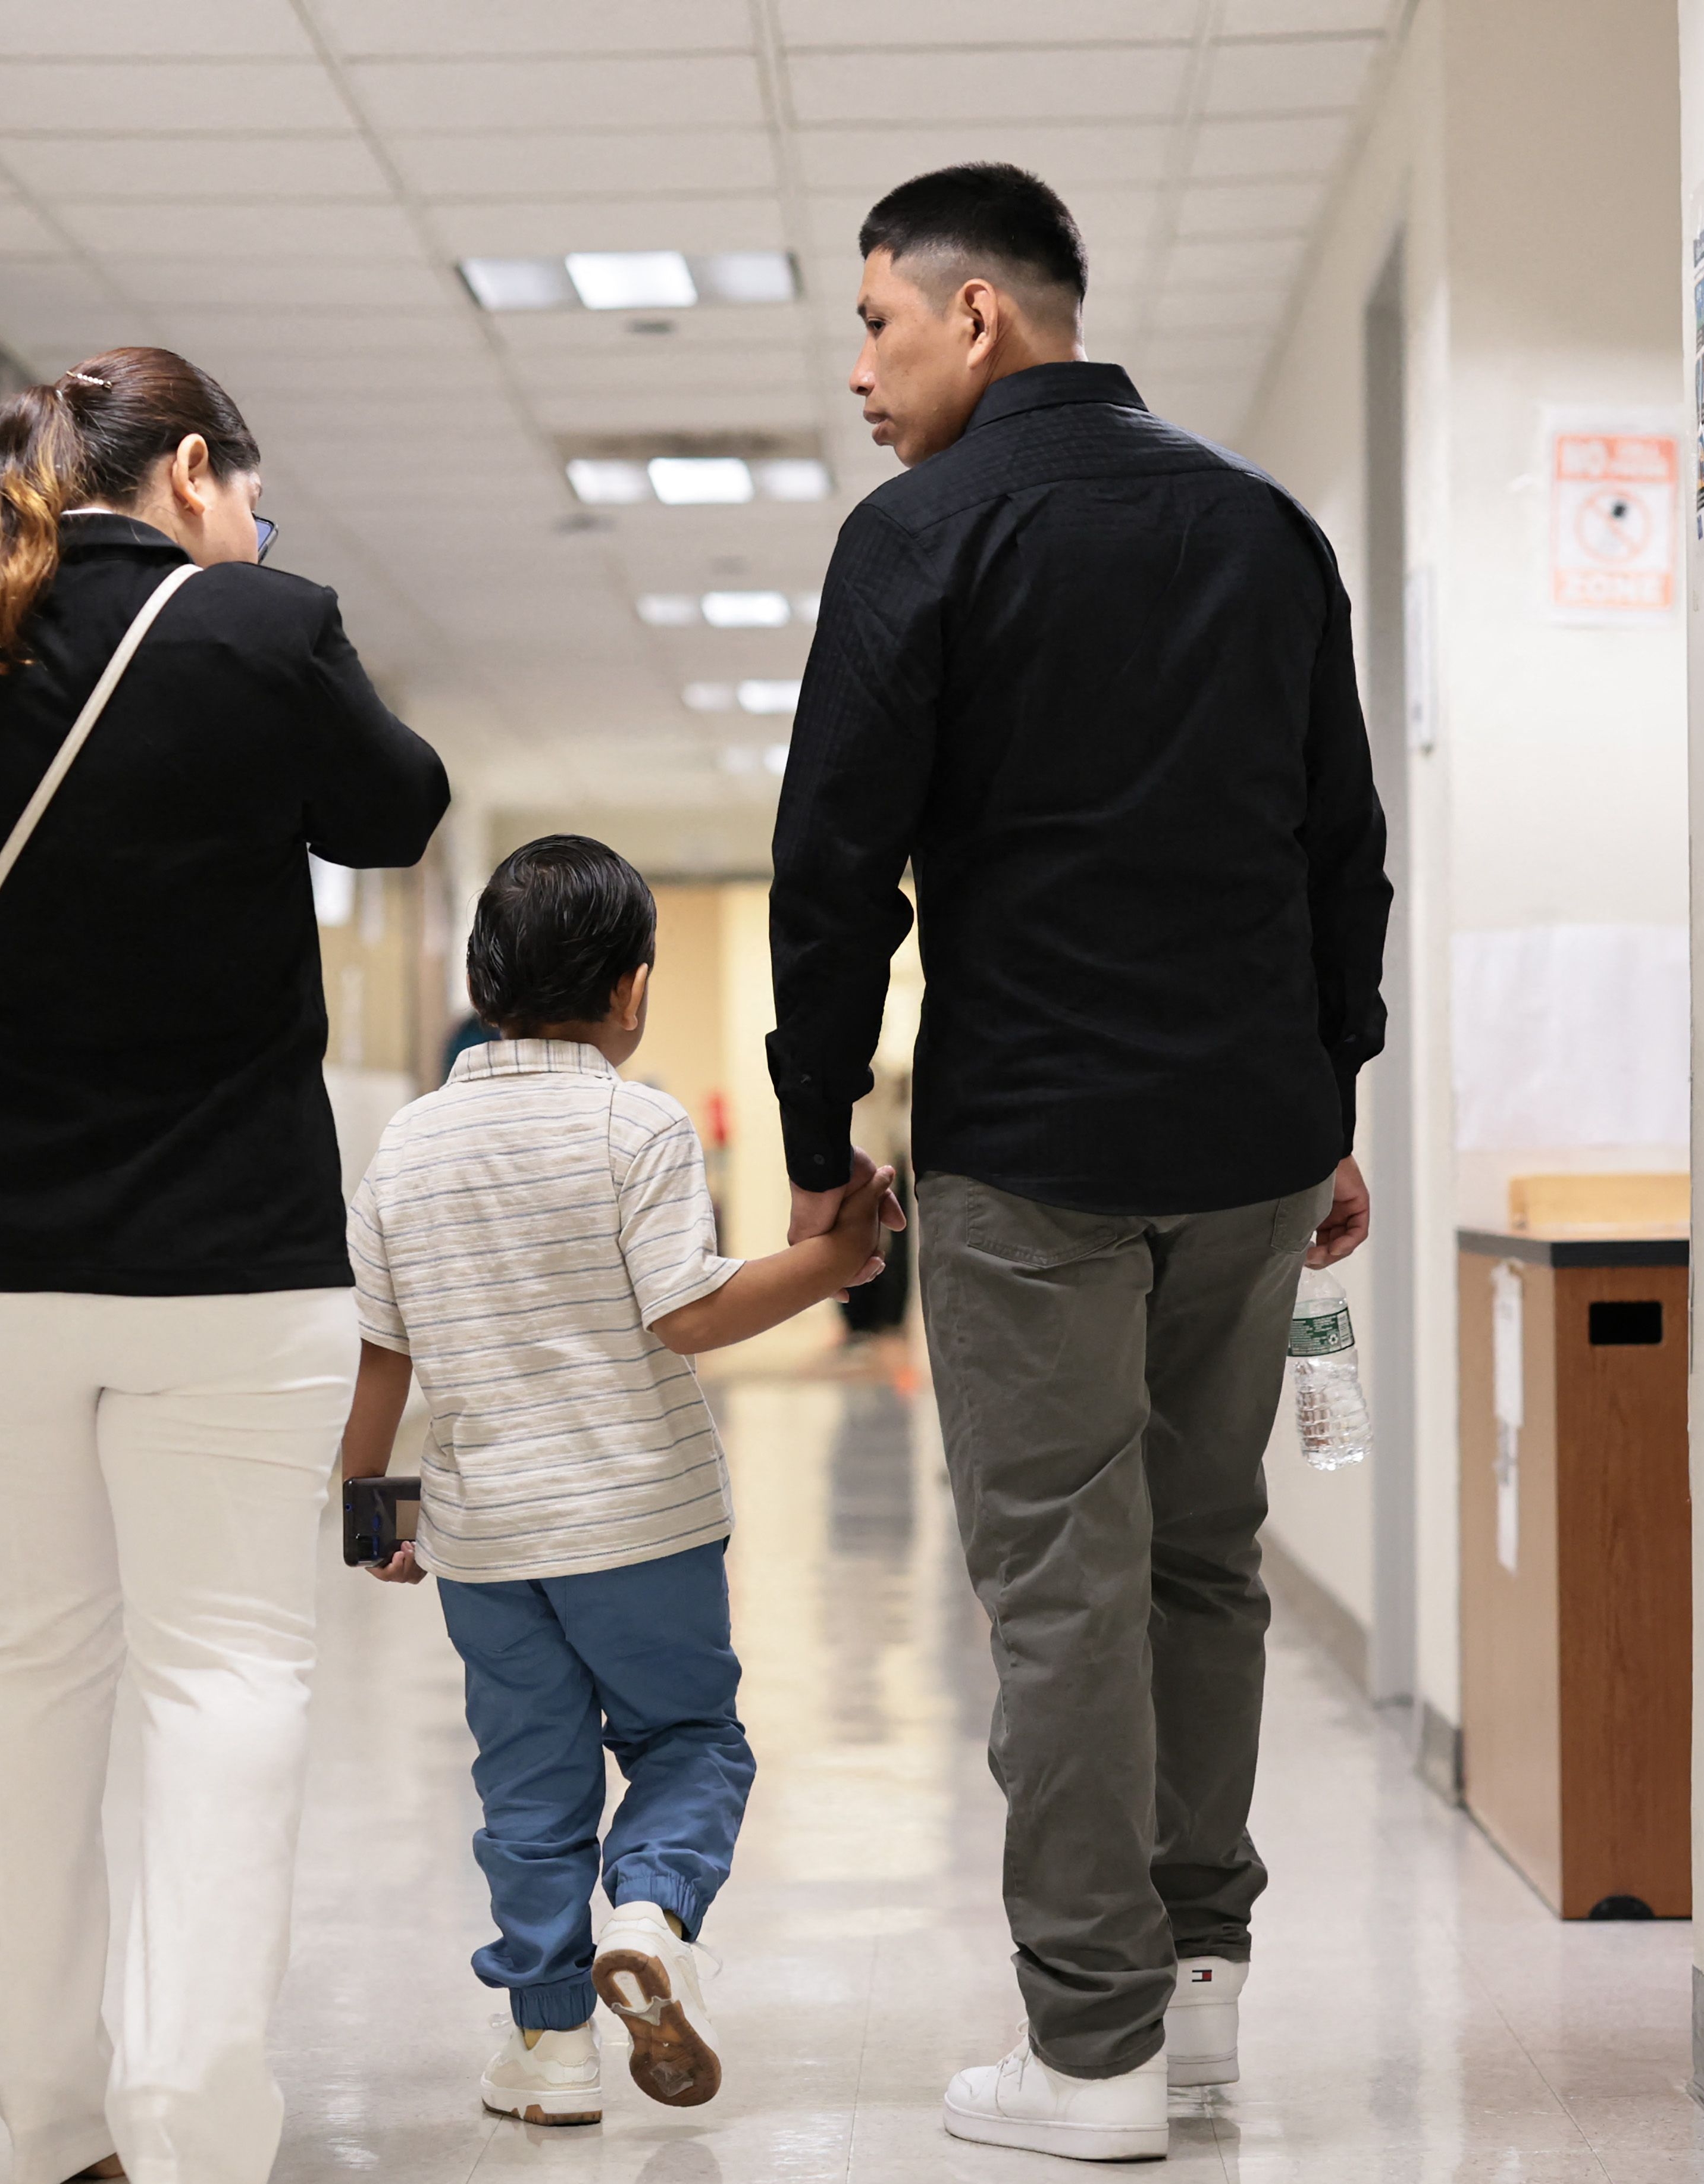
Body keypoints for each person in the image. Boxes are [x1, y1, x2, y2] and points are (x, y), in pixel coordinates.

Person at [0, 348, 448, 2184]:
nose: (254, 528)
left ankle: (56, 2123)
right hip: (232, 1264)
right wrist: (267, 601)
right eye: (244, 495)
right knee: (226, 1675)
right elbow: (399, 805)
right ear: (191, 468)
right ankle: (199, 2124)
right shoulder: (261, 630)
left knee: (26, 1655)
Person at [765, 165, 1392, 2163]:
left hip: (1032, 1146)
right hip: (1251, 1148)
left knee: (1061, 1577)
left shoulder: (918, 540)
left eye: (875, 321)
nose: (858, 367)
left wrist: (813, 1143)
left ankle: (1094, 2052)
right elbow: (1337, 848)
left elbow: (831, 874)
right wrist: (1334, 1102)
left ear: (979, 319)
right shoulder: (1263, 527)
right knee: (1205, 1555)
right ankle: (1199, 1998)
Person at [337, 836, 895, 2129]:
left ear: (482, 978)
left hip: (486, 1540)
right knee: (689, 1738)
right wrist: (839, 1259)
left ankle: (549, 2048)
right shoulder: (632, 1121)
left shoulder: (406, 1143)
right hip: (640, 1522)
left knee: (528, 1788)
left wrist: (375, 1511)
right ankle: (647, 1909)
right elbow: (688, 1315)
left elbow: (382, 1350)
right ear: (633, 990)